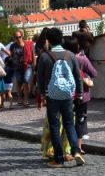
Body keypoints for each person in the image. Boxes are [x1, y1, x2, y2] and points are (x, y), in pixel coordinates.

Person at [36, 27, 85, 168]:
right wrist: (79, 94)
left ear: (48, 40)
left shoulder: (45, 56)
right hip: (68, 95)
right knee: (69, 123)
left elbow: (40, 79)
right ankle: (76, 151)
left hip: (52, 96)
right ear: (61, 39)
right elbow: (78, 77)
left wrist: (42, 94)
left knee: (54, 126)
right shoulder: (70, 55)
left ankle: (58, 158)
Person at [68, 36, 97, 150]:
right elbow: (94, 73)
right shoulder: (82, 59)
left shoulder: (64, 59)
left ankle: (67, 146)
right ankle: (78, 147)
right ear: (77, 47)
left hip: (68, 94)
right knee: (80, 118)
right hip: (81, 93)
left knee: (68, 120)